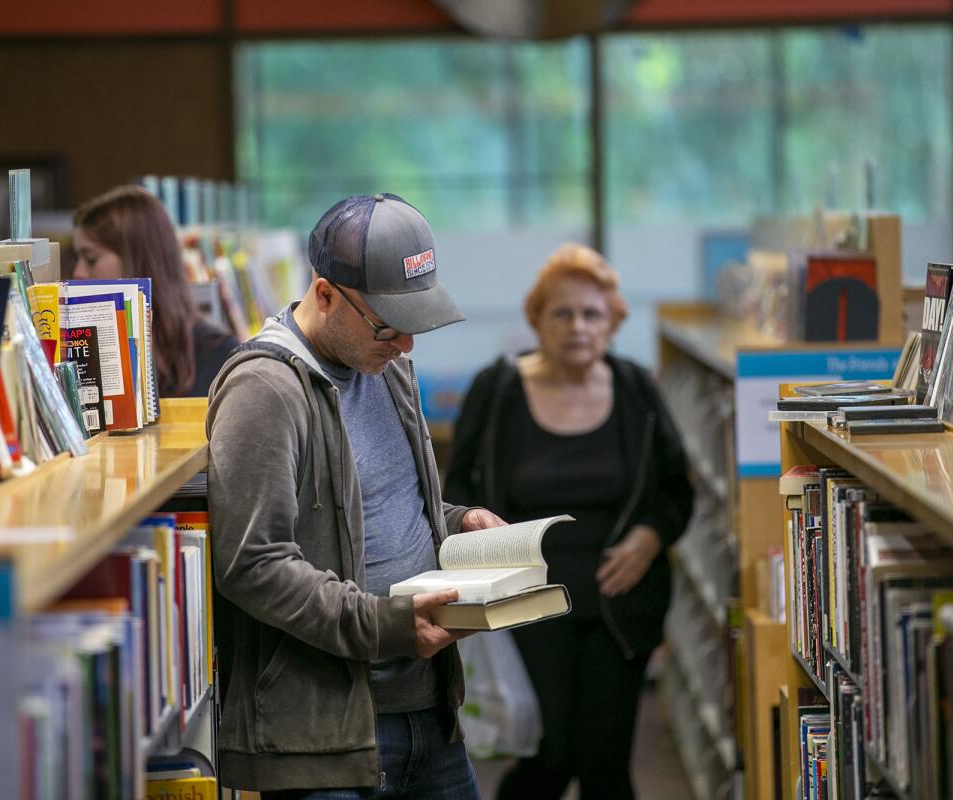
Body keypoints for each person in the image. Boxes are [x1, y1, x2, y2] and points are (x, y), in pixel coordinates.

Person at [206, 193, 504, 798]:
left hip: (428, 711)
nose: (405, 347)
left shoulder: (385, 367)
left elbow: (374, 508)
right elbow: (251, 563)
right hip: (330, 737)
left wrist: (456, 521)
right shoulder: (264, 391)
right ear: (324, 295)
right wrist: (381, 624)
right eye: (389, 327)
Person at [445, 243, 694, 800]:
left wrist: (649, 538)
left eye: (592, 314)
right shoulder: (498, 389)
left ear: (612, 323)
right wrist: (478, 532)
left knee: (605, 766)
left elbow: (676, 491)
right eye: (562, 313)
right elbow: (454, 491)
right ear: (536, 320)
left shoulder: (635, 390)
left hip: (618, 606)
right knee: (550, 758)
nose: (577, 326)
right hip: (525, 603)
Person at [72, 185, 238, 397]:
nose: (77, 272)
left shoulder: (218, 356)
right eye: (76, 258)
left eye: (91, 259)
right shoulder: (83, 353)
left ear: (136, 260)